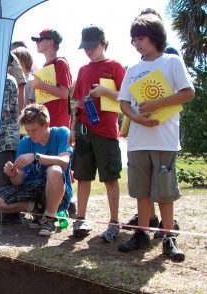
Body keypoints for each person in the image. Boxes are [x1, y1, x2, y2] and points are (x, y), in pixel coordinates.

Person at [117, 14, 194, 261]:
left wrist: (157, 103)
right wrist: (136, 118)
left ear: (155, 36)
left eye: (140, 38)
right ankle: (141, 233)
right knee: (141, 190)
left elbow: (188, 92)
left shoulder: (172, 62)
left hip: (164, 139)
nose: (136, 43)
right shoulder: (133, 69)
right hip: (138, 140)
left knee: (164, 191)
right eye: (133, 39)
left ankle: (169, 237)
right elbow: (124, 103)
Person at [70, 26, 126, 241]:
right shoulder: (83, 70)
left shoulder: (115, 66)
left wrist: (105, 92)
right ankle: (80, 219)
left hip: (107, 133)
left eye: (92, 46)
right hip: (84, 131)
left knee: (110, 177)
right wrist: (73, 128)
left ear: (103, 43)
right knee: (83, 176)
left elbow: (126, 97)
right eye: (85, 47)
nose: (88, 51)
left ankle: (114, 223)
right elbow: (78, 102)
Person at [0, 104, 72, 236]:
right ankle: (36, 209)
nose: (30, 134)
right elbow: (18, 181)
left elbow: (64, 162)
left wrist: (36, 157)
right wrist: (13, 174)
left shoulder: (62, 133)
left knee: (54, 170)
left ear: (46, 124)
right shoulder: (25, 143)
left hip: (57, 189)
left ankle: (49, 218)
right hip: (32, 189)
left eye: (34, 130)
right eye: (27, 130)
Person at [30, 29, 72, 128]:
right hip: (46, 122)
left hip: (58, 125)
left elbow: (64, 93)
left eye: (40, 39)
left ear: (51, 42)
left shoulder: (60, 63)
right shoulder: (45, 66)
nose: (36, 42)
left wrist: (40, 85)